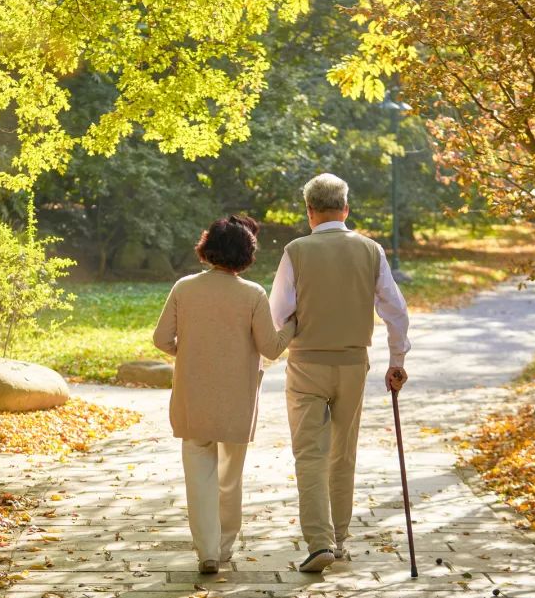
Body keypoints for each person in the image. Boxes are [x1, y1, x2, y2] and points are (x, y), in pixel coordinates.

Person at [269, 173, 410, 573]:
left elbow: (278, 313)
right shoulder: (370, 250)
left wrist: (264, 358)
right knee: (343, 454)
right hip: (352, 366)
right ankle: (342, 540)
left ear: (309, 211)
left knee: (309, 455)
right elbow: (395, 309)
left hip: (306, 364)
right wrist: (396, 359)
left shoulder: (296, 250)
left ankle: (319, 542)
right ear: (346, 209)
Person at [153, 215, 296, 576]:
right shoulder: (252, 294)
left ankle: (207, 552)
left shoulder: (184, 288)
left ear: (207, 248)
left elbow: (161, 339)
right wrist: (292, 324)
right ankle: (226, 545)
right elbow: (270, 346)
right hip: (236, 399)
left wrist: (186, 353)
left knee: (198, 476)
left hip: (193, 397)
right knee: (230, 477)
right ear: (246, 254)